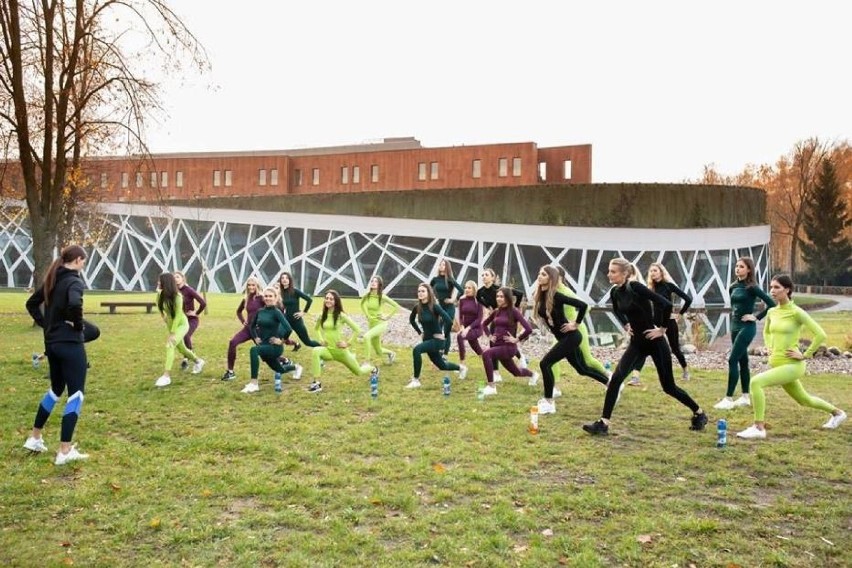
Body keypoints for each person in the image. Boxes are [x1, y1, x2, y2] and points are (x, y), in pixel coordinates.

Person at [582, 257, 708, 436]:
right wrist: (626, 324)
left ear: (625, 273)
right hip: (637, 343)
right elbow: (617, 310)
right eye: (609, 271)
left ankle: (699, 413)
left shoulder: (636, 287)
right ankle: (603, 423)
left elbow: (666, 304)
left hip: (655, 342)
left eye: (613, 271)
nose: (609, 274)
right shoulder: (615, 292)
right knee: (616, 378)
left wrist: (662, 329)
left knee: (669, 387)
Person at [736, 275, 846, 439]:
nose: (772, 291)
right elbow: (767, 331)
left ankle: (759, 428)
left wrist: (805, 355)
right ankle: (838, 413)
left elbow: (820, 335)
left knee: (756, 382)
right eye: (771, 287)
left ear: (787, 290)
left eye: (777, 287)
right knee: (804, 399)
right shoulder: (772, 311)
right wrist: (769, 346)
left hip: (793, 366)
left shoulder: (796, 312)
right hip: (778, 364)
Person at [23, 245, 95, 465]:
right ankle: (64, 451)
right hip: (69, 343)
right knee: (76, 395)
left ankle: (35, 438)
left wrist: (48, 325)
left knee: (55, 389)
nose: (83, 265)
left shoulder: (53, 280)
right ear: (77, 260)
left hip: (52, 343)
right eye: (84, 261)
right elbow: (75, 304)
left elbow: (31, 304)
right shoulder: (74, 280)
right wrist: (77, 326)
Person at [534, 266, 606, 414]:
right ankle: (611, 384)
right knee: (582, 369)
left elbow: (583, 305)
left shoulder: (556, 295)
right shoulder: (541, 295)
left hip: (571, 337)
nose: (539, 276)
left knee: (545, 363)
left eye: (543, 274)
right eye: (539, 273)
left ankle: (549, 402)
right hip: (563, 338)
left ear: (551, 278)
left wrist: (576, 323)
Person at [714, 257, 776, 410]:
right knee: (742, 362)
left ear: (749, 270)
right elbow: (735, 306)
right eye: (736, 266)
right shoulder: (733, 286)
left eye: (741, 266)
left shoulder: (752, 287)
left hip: (747, 327)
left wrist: (756, 317)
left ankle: (728, 399)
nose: (738, 269)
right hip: (734, 326)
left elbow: (772, 304)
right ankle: (745, 397)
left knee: (732, 360)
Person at [631, 262, 693, 381]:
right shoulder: (650, 288)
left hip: (668, 322)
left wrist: (679, 314)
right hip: (655, 322)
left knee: (675, 348)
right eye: (651, 271)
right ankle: (635, 377)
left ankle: (685, 370)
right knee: (645, 346)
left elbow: (688, 299)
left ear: (661, 272)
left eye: (655, 270)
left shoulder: (669, 286)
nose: (653, 273)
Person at [554, 266, 611, 387]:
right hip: (561, 331)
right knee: (551, 360)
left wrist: (575, 323)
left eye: (554, 274)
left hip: (576, 330)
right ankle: (554, 387)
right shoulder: (552, 292)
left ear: (560, 277)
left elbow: (586, 307)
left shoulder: (566, 292)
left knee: (587, 360)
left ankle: (608, 376)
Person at [309, 290, 375, 393]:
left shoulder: (341, 316)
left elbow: (357, 329)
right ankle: (316, 383)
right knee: (316, 351)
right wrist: (321, 339)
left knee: (359, 372)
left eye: (331, 299)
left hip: (341, 352)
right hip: (329, 351)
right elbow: (316, 329)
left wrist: (348, 343)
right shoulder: (323, 315)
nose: (328, 300)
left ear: (336, 301)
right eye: (326, 298)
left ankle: (372, 369)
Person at [240, 287, 302, 393]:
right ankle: (296, 367)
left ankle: (254, 384)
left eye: (270, 296)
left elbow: (288, 328)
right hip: (263, 345)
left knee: (253, 350)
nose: (268, 298)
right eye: (266, 296)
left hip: (274, 347)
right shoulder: (260, 311)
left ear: (275, 298)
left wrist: (282, 341)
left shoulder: (276, 312)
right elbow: (252, 326)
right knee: (279, 369)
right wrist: (255, 337)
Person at [479, 287, 538, 396]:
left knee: (486, 354)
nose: (498, 299)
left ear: (507, 298)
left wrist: (516, 339)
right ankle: (533, 375)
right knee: (516, 372)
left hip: (508, 348)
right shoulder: (496, 311)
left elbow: (529, 328)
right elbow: (484, 324)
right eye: (497, 296)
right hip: (498, 346)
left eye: (501, 296)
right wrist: (489, 336)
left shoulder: (514, 311)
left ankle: (491, 386)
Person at [154, 272, 205, 387]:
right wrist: (163, 316)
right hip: (171, 324)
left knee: (170, 345)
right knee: (182, 349)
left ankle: (166, 376)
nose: (158, 283)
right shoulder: (161, 294)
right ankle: (198, 361)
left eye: (160, 281)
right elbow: (158, 305)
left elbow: (178, 315)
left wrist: (172, 333)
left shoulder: (178, 296)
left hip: (181, 324)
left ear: (165, 282)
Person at [476, 268, 527, 380]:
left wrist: (516, 307)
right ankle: (496, 373)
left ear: (493, 278)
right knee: (493, 342)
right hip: (495, 316)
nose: (484, 276)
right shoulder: (480, 291)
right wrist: (488, 307)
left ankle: (520, 357)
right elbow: (478, 298)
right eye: (483, 275)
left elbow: (519, 294)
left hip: (507, 318)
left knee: (507, 340)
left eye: (487, 275)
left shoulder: (500, 290)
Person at [407, 283, 460, 389]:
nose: (420, 293)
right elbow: (411, 320)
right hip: (427, 339)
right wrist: (419, 332)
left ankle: (416, 380)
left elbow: (449, 321)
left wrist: (444, 335)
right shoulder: (417, 307)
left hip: (437, 340)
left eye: (423, 291)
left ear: (428, 293)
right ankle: (461, 368)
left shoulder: (435, 307)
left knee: (416, 350)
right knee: (442, 366)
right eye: (419, 291)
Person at [222, 276, 264, 381]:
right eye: (249, 285)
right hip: (248, 329)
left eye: (253, 285)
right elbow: (238, 311)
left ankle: (285, 361)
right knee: (232, 342)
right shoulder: (246, 298)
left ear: (257, 285)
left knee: (265, 354)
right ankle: (230, 372)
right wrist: (243, 321)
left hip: (258, 331)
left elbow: (271, 310)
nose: (251, 287)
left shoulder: (262, 298)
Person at [358, 276, 401, 365]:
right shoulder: (367, 295)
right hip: (371, 324)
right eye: (372, 281)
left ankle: (366, 362)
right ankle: (391, 353)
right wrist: (367, 315)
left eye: (376, 282)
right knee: (378, 351)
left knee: (366, 337)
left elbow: (396, 306)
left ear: (379, 285)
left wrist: (387, 317)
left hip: (380, 324)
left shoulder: (382, 297)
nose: (373, 283)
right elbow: (362, 304)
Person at [277, 271, 321, 349]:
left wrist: (303, 312)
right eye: (282, 278)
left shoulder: (295, 291)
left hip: (296, 320)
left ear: (290, 280)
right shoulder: (280, 292)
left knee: (308, 342)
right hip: (286, 319)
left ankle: (323, 348)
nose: (284, 279)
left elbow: (309, 300)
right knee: (279, 336)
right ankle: (280, 354)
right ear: (280, 280)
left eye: (287, 278)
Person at [174, 271, 207, 371]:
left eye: (177, 277)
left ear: (183, 278)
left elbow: (203, 303)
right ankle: (187, 358)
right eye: (174, 277)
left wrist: (196, 313)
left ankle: (192, 360)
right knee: (179, 339)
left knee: (186, 335)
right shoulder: (174, 292)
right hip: (180, 320)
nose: (175, 279)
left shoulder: (188, 290)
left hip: (191, 320)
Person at [430, 259, 464, 355]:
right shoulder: (435, 279)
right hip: (440, 307)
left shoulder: (450, 279)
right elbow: (428, 290)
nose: (441, 266)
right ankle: (439, 351)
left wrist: (453, 300)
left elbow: (461, 290)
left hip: (449, 308)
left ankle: (445, 354)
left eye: (443, 265)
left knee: (446, 331)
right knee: (438, 330)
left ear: (447, 267)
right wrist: (434, 299)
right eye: (440, 264)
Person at [456, 280, 484, 380]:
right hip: (465, 328)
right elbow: (460, 316)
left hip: (476, 329)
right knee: (476, 348)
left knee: (460, 336)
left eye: (469, 288)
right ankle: (489, 361)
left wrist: (468, 328)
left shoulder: (478, 301)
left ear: (474, 289)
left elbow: (479, 319)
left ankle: (462, 366)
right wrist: (462, 326)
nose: (467, 289)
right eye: (465, 287)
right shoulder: (462, 299)